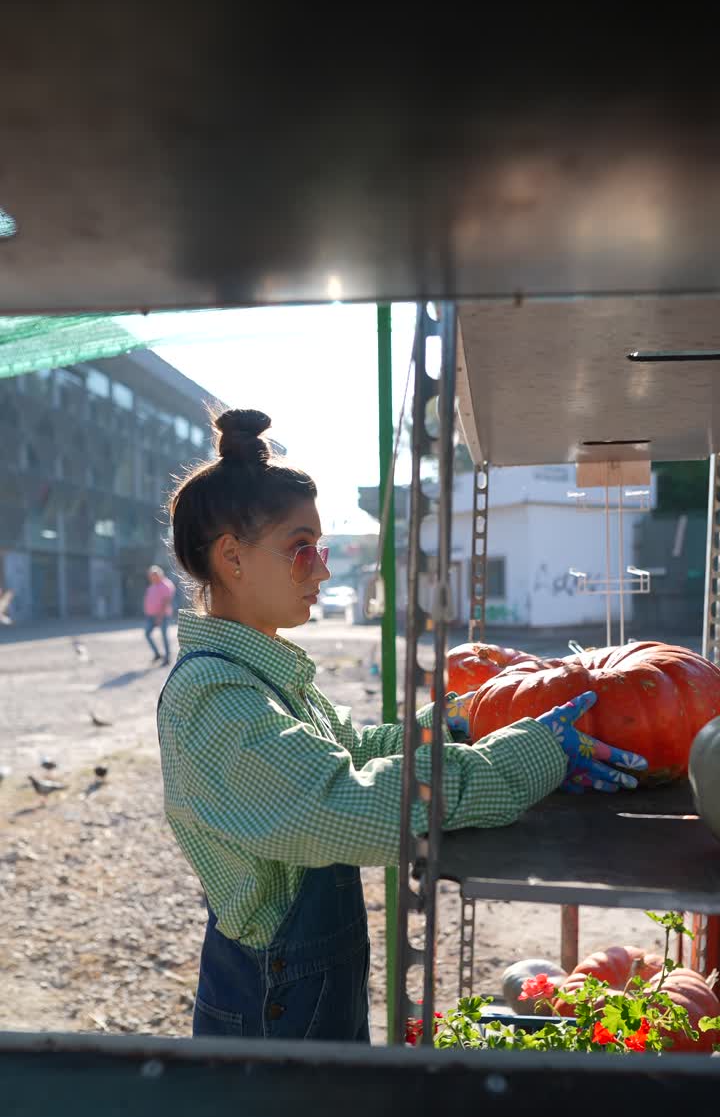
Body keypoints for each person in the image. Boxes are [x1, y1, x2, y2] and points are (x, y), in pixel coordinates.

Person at [157, 408, 647, 1044]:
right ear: (232, 558)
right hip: (269, 1007)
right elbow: (341, 803)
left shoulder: (258, 675)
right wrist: (513, 762)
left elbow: (353, 752)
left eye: (320, 548)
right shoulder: (216, 698)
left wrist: (459, 723)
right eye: (300, 548)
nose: (323, 570)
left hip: (301, 989)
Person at [143, 565, 176, 666]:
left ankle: (167, 658)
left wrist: (160, 617)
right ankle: (157, 654)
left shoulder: (166, 585)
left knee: (164, 636)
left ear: (159, 575)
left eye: (154, 575)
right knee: (147, 634)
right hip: (151, 616)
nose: (152, 577)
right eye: (151, 576)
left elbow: (166, 602)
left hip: (162, 615)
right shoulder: (152, 585)